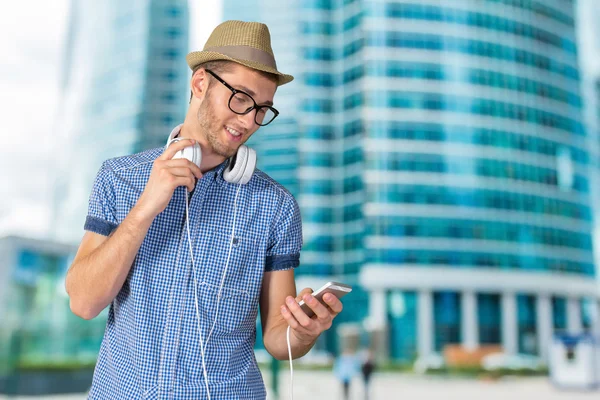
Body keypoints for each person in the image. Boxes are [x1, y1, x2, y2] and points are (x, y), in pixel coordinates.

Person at [64, 20, 345, 399]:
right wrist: (147, 207)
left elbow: (279, 339)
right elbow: (83, 302)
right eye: (241, 98)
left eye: (262, 109)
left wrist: (304, 331)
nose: (249, 121)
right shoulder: (121, 178)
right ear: (200, 84)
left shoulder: (275, 206)